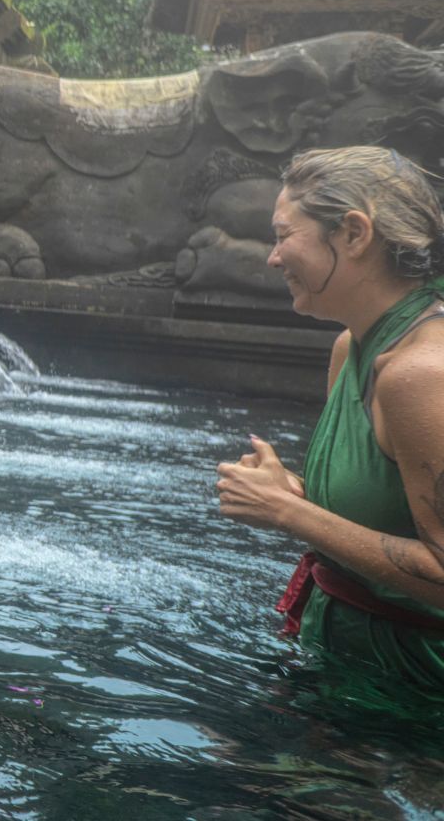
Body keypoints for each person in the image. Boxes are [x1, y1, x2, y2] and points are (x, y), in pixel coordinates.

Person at [218, 145, 444, 693]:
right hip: (347, 668)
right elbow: (381, 511)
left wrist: (287, 514)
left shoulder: (419, 374)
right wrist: (293, 491)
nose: (273, 258)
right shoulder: (352, 348)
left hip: (414, 699)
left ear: (353, 234)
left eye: (282, 234)